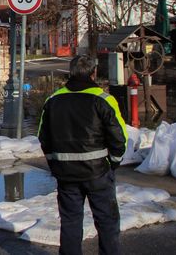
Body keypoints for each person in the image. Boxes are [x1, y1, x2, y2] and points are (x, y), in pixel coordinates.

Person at [38, 55, 127, 255]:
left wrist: (55, 164)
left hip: (66, 174)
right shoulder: (104, 99)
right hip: (98, 173)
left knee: (70, 222)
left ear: (70, 73)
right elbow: (119, 138)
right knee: (107, 222)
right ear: (93, 73)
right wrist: (113, 163)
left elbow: (43, 138)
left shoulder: (53, 100)